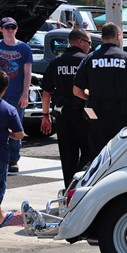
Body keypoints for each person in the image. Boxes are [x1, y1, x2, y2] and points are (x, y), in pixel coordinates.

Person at [73, 22, 127, 159]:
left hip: (96, 116)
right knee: (121, 155)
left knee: (98, 156)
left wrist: (91, 97)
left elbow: (76, 90)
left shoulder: (89, 59)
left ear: (102, 37)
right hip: (122, 116)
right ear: (118, 36)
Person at [40, 29, 93, 187]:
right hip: (84, 113)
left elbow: (46, 92)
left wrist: (45, 115)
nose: (90, 47)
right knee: (90, 150)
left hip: (62, 113)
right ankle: (78, 185)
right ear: (80, 41)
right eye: (89, 43)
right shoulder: (87, 60)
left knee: (67, 154)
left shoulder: (56, 61)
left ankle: (68, 189)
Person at [0, 17, 32, 173]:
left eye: (13, 27)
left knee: (16, 128)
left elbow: (27, 73)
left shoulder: (24, 49)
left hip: (16, 95)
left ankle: (13, 160)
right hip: (0, 94)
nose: (10, 30)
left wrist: (25, 94)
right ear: (1, 29)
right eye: (7, 27)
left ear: (17, 29)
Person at [0, 69, 25, 227]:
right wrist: (9, 134)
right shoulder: (9, 109)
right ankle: (1, 218)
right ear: (5, 88)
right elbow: (19, 134)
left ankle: (1, 216)